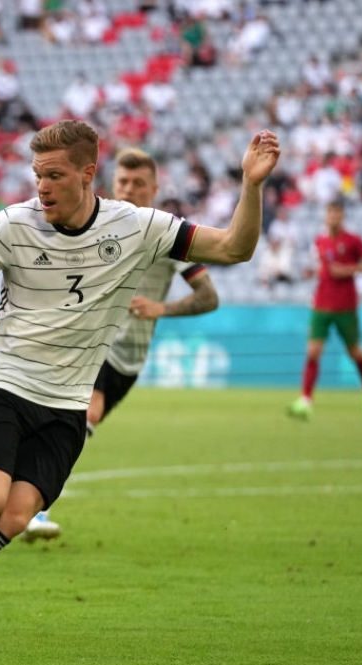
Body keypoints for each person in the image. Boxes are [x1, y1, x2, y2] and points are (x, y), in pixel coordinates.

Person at [0, 120, 281, 634]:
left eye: (53, 175)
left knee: (13, 517)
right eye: (36, 175)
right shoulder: (13, 224)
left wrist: (251, 186)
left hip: (68, 400)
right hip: (5, 380)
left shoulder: (136, 227)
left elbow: (234, 248)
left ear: (88, 174)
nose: (41, 186)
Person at [20, 147, 220, 543]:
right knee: (56, 417)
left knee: (72, 421)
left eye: (139, 184)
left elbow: (208, 296)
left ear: (155, 188)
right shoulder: (91, 221)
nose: (129, 190)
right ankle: (18, 503)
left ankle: (23, 502)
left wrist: (160, 307)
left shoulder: (167, 233)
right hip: (77, 341)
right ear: (112, 184)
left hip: (123, 355)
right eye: (124, 182)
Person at [286, 198, 362, 421]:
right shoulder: (320, 241)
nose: (333, 217)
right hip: (321, 305)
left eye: (337, 212)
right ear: (325, 216)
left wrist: (348, 269)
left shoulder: (354, 241)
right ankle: (305, 401)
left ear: (342, 216)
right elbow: (322, 268)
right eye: (330, 213)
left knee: (355, 353)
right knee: (313, 352)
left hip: (345, 306)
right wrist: (313, 273)